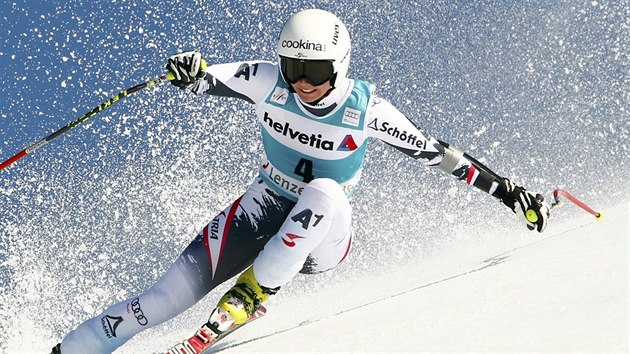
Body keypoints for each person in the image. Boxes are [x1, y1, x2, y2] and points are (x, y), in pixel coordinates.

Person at [51, 8, 549, 354]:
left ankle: (251, 295)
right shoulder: (269, 82)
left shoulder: (366, 109)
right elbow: (208, 77)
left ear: (339, 66)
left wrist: (509, 192)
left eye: (314, 69)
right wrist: (188, 70)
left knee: (326, 192)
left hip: (322, 237)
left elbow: (438, 155)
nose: (302, 81)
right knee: (159, 300)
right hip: (261, 208)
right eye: (293, 67)